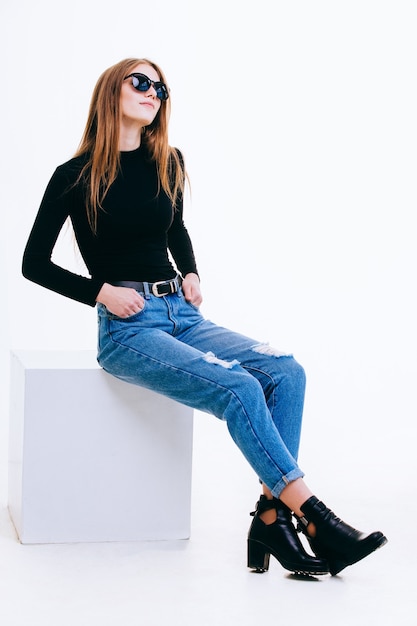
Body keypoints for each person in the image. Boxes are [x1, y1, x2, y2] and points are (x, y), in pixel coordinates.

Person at [22, 57, 387, 577]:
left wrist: (189, 272)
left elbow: (175, 230)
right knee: (237, 387)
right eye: (141, 83)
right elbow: (32, 264)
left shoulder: (168, 160)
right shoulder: (74, 175)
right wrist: (101, 292)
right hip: (129, 328)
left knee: (285, 371)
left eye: (161, 89)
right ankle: (314, 518)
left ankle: (269, 516)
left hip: (181, 313)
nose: (153, 93)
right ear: (112, 91)